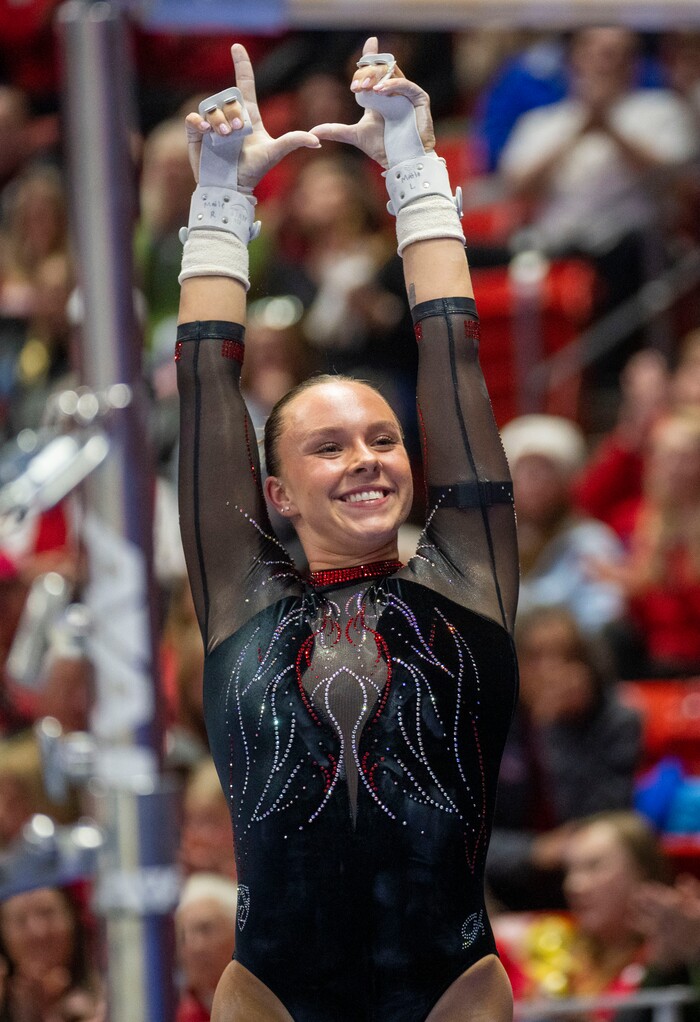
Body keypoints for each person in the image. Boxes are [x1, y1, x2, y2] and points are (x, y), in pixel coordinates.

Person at [176, 37, 518, 1022]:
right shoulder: (240, 595)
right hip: (274, 992)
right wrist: (220, 198)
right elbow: (207, 382)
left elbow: (451, 350)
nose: (368, 455)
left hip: (447, 987)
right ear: (274, 490)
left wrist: (412, 164)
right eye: (328, 447)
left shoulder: (463, 581)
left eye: (382, 437)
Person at [487, 606, 642, 911]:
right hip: (510, 886)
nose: (551, 670)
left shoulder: (616, 721)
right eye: (537, 657)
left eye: (566, 656)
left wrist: (556, 730)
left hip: (589, 878)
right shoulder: (492, 724)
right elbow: (470, 841)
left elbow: (602, 824)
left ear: (586, 663)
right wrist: (533, 851)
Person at [0, 884, 104, 1021]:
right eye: (21, 920)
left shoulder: (111, 997)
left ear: (73, 918)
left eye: (47, 913)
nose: (37, 931)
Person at [175, 873, 239, 1022]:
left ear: (236, 934)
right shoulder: (187, 1014)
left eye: (206, 929)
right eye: (184, 935)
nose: (194, 947)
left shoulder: (265, 1004)